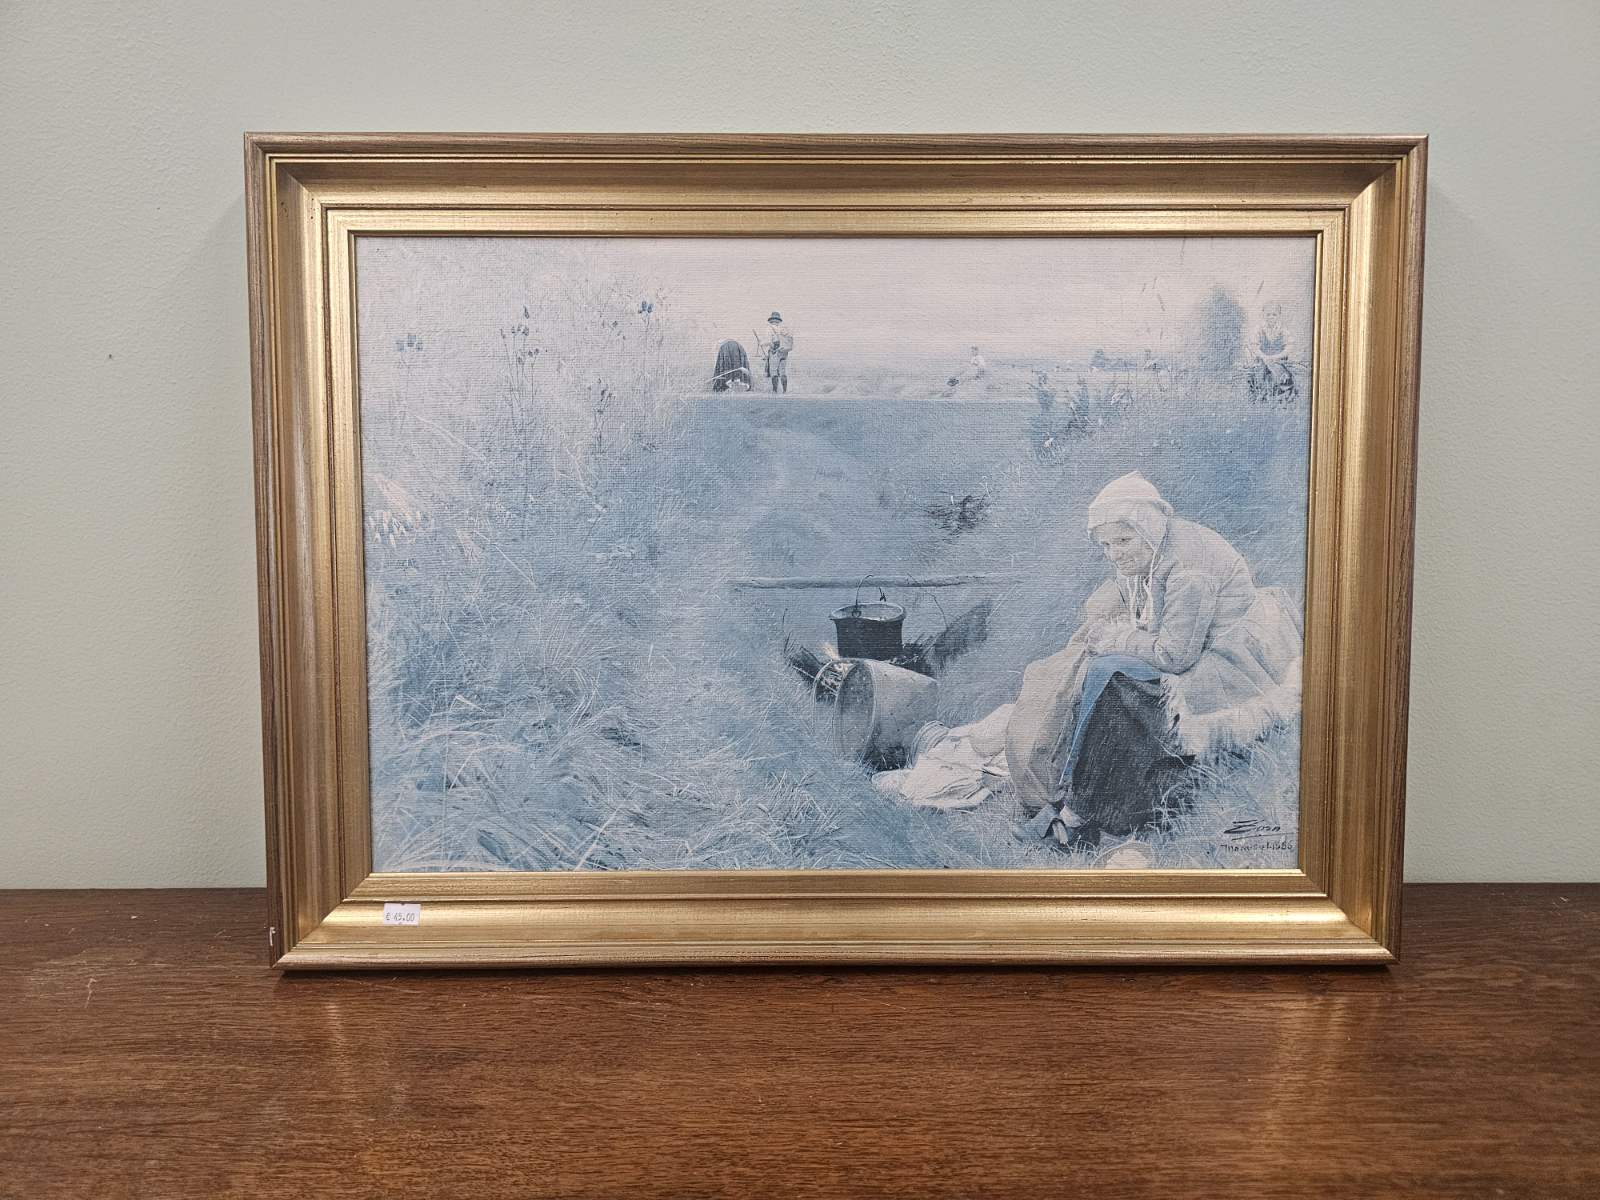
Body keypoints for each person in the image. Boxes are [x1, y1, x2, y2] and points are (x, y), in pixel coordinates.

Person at [1004, 472, 1304, 849]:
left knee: (1113, 683)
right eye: (1106, 545)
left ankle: (1078, 815)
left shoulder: (1189, 568)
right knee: (1086, 671)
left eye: (1122, 541)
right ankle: (1068, 797)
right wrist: (1103, 618)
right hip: (1194, 650)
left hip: (1229, 665)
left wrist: (1118, 637)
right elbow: (1127, 593)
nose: (1115, 553)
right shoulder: (1153, 546)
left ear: (1147, 526)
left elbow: (1174, 655)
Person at [762, 311, 793, 393]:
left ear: (771, 320)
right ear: (779, 320)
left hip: (775, 352)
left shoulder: (769, 328)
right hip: (784, 352)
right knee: (783, 372)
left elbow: (768, 342)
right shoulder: (784, 329)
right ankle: (784, 391)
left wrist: (762, 344)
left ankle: (775, 391)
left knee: (774, 372)